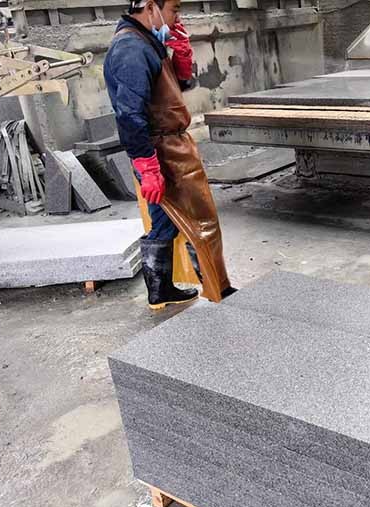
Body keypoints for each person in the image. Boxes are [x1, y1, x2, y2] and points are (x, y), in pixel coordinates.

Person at [103, 0, 234, 309]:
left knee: (166, 219)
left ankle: (161, 289)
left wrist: (182, 60)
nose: (177, 17)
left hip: (169, 145)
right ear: (151, 7)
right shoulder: (131, 49)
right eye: (174, 9)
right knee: (200, 221)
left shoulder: (146, 41)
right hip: (162, 150)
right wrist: (147, 166)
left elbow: (169, 92)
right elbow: (129, 114)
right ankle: (216, 288)